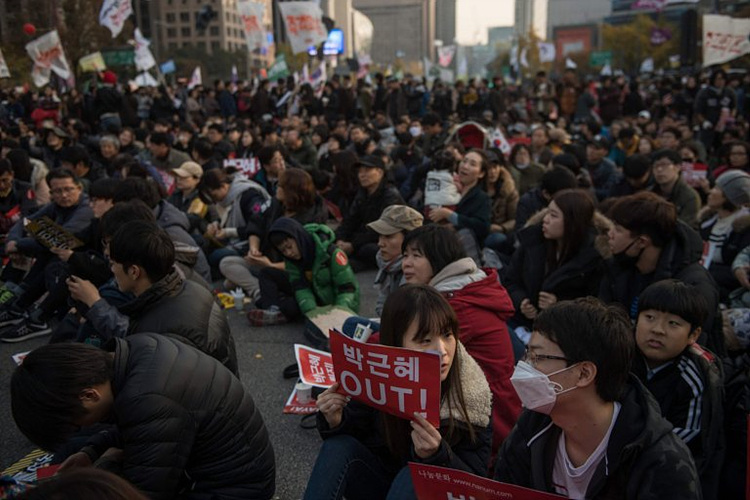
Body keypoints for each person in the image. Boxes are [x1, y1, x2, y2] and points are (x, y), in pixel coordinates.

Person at [11, 334, 275, 498]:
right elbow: (138, 428)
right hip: (225, 470)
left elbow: (144, 493)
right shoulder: (136, 349)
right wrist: (90, 452)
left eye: (75, 423)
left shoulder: (148, 397)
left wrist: (91, 476)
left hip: (234, 490)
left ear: (89, 395)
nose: (81, 427)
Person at [494, 297, 701, 498]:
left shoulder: (659, 461)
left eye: (537, 357)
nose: (524, 367)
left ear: (584, 373)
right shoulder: (532, 427)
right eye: (527, 354)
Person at [304, 285, 492, 499]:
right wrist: (337, 420)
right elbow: (361, 440)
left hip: (432, 492)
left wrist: (437, 455)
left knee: (414, 476)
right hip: (384, 485)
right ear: (395, 343)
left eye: (447, 335)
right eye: (425, 340)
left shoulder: (472, 391)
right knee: (338, 447)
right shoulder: (377, 370)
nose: (441, 351)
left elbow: (476, 483)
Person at [402, 225, 520, 454]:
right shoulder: (459, 290)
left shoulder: (455, 304)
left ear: (440, 259)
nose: (406, 263)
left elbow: (397, 340)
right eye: (405, 255)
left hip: (487, 424)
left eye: (416, 256)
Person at [66, 220, 238, 374]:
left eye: (113, 264)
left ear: (134, 271)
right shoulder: (189, 287)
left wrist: (95, 303)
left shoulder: (156, 327)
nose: (111, 270)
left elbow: (143, 346)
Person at [601, 191, 724, 356]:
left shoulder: (694, 285)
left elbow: (693, 349)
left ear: (642, 242)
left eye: (618, 229)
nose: (610, 234)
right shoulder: (618, 266)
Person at [632, 280, 724, 499]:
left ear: (693, 335)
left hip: (665, 471)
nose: (657, 330)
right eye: (649, 317)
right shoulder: (619, 355)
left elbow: (686, 439)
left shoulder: (695, 376)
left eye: (673, 323)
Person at [0, 170, 94, 342]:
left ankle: (38, 317)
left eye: (69, 189)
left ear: (79, 188)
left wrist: (19, 244)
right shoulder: (56, 205)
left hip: (82, 264)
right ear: (51, 193)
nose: (64, 195)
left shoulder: (86, 208)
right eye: (57, 191)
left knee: (52, 253)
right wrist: (12, 240)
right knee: (45, 251)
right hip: (58, 256)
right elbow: (27, 222)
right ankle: (19, 306)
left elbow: (61, 239)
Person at [505, 190, 609, 330]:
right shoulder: (532, 241)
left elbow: (597, 307)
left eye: (553, 216)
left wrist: (559, 305)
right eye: (547, 213)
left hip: (565, 331)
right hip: (522, 321)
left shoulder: (594, 258)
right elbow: (511, 280)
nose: (545, 219)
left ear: (573, 222)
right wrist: (521, 301)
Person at [247, 217, 359, 326]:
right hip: (312, 295)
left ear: (298, 237)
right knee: (267, 273)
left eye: (289, 247)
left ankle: (280, 311)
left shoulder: (331, 253)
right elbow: (300, 287)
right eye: (283, 251)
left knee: (290, 307)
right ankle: (272, 309)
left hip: (333, 302)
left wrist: (340, 312)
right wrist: (311, 311)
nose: (289, 253)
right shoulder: (292, 260)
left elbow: (347, 288)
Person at [335, 154, 404, 271]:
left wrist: (352, 245)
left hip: (383, 239)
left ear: (380, 172)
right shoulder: (362, 193)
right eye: (360, 172)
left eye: (367, 171)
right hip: (363, 237)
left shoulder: (391, 195)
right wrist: (340, 239)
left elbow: (383, 229)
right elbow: (350, 220)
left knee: (367, 250)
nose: (362, 175)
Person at [427, 149, 492, 263]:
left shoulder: (481, 198)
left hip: (465, 254)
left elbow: (482, 227)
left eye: (472, 164)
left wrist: (450, 215)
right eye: (464, 161)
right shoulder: (446, 186)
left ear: (481, 173)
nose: (465, 166)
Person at [699, 169, 750, 300]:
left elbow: (738, 272)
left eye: (717, 188)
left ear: (730, 196)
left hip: (726, 293)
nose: (710, 192)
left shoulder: (744, 228)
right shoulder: (706, 222)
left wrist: (704, 271)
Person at [650, 149, 701, 229]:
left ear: (678, 167)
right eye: (655, 166)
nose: (659, 170)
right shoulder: (649, 193)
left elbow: (686, 227)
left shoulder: (690, 196)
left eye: (664, 165)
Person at [483, 150, 519, 253]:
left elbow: (515, 218)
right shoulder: (475, 188)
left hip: (498, 232)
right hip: (479, 229)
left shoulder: (509, 190)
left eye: (495, 167)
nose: (492, 172)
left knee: (497, 239)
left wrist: (502, 227)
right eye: (489, 168)